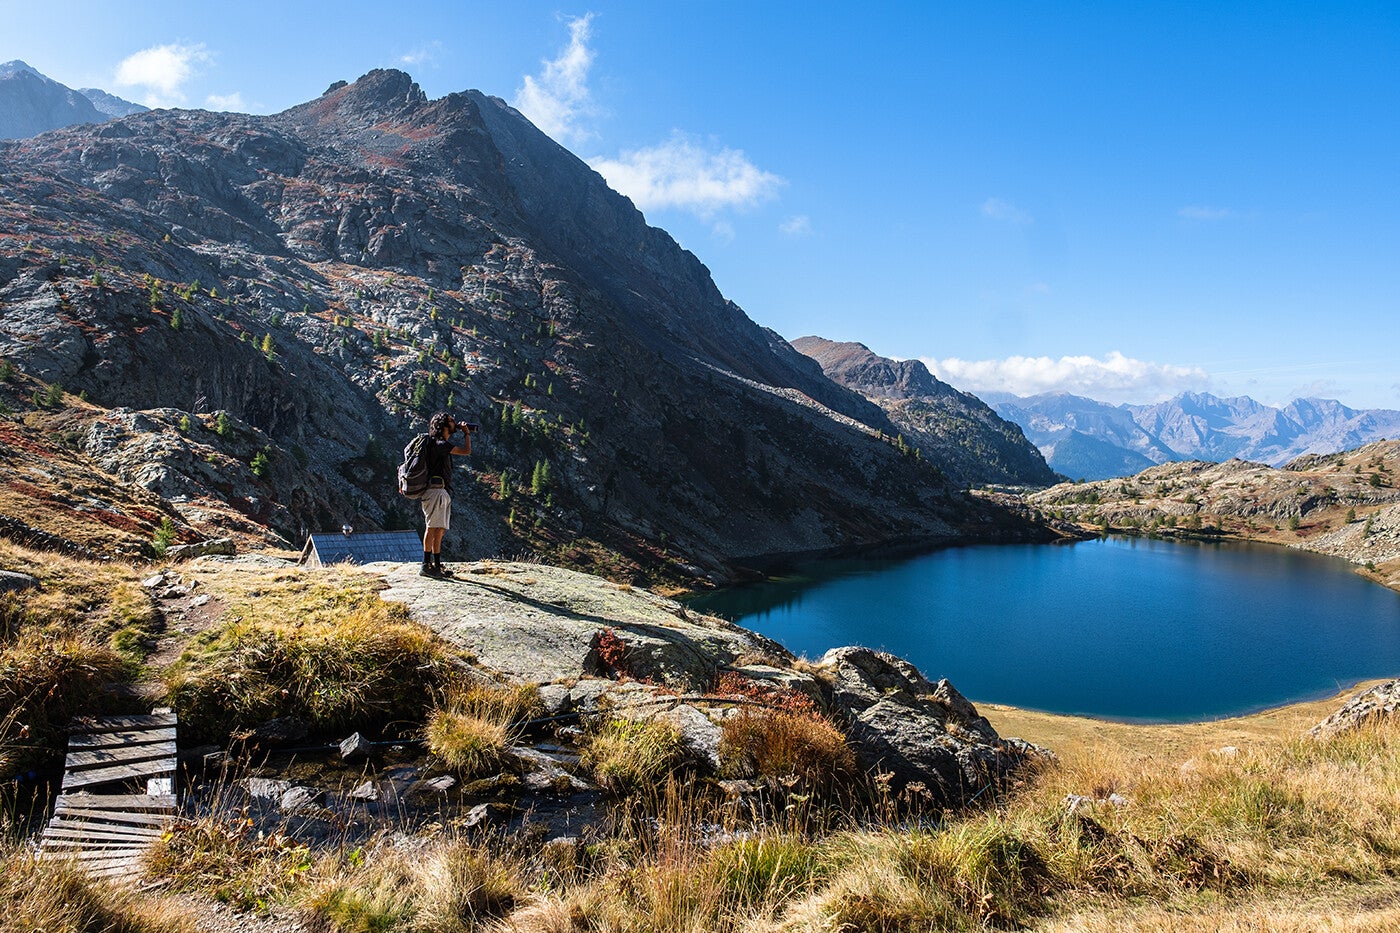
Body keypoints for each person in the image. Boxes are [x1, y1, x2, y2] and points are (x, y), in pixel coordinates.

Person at [420, 410, 471, 577]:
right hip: (435, 491)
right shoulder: (440, 444)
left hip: (440, 490)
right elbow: (466, 451)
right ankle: (426, 566)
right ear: (443, 425)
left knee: (439, 529)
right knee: (432, 527)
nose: (454, 422)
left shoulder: (437, 444)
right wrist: (466, 433)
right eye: (451, 420)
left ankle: (436, 565)